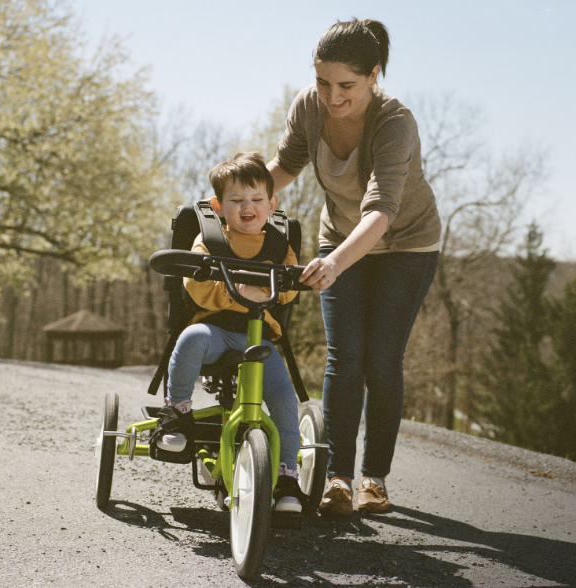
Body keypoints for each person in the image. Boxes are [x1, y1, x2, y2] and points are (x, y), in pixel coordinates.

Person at [267, 18, 440, 517]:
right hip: (339, 239)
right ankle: (338, 480)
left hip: (405, 245)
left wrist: (335, 263)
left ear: (373, 76)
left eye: (346, 85)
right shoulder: (310, 105)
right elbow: (285, 166)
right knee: (344, 359)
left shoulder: (395, 122)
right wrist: (229, 199)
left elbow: (381, 211)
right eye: (323, 82)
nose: (331, 96)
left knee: (381, 362)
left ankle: (375, 481)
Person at [154, 151, 306, 514]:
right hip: (215, 328)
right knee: (191, 339)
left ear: (272, 203)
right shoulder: (209, 240)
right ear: (219, 206)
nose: (247, 207)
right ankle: (176, 412)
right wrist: (239, 292)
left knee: (285, 401)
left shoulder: (277, 245)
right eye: (236, 201)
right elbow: (195, 285)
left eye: (256, 200)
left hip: (259, 337)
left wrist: (283, 286)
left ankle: (287, 476)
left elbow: (290, 286)